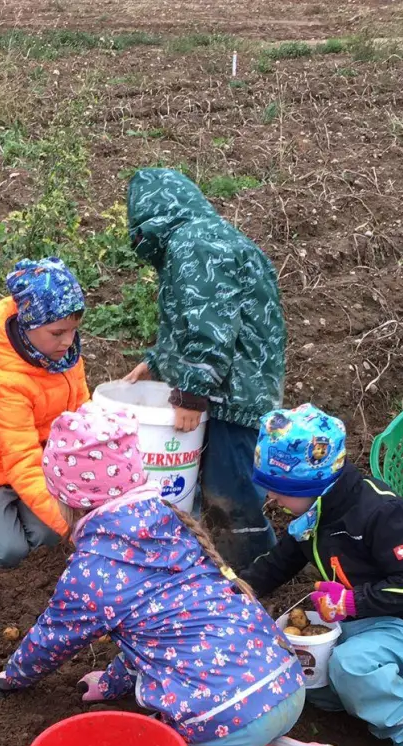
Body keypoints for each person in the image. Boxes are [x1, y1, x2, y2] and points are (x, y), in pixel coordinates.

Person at [0, 405, 345, 746]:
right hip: (285, 682)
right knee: (234, 729)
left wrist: (11, 680)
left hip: (225, 714)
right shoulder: (170, 523)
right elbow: (154, 631)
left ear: (67, 498)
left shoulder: (93, 571)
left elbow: (51, 640)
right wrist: (113, 681)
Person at [240, 405, 403, 746]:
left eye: (279, 491)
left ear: (312, 483)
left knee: (350, 666)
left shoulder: (381, 513)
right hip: (361, 622)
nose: (272, 500)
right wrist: (239, 590)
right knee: (306, 678)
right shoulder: (314, 511)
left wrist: (350, 603)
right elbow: (280, 562)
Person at [121, 167, 285, 570]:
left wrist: (192, 393)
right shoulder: (197, 238)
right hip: (229, 387)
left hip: (234, 394)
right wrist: (157, 361)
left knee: (232, 497)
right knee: (212, 490)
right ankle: (212, 571)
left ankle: (257, 578)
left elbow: (210, 327)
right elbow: (192, 318)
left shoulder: (196, 244)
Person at [0, 258, 88, 568]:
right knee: (7, 553)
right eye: (57, 332)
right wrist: (74, 528)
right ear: (29, 324)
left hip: (42, 463)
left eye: (74, 330)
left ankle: (17, 518)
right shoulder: (6, 381)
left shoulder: (66, 357)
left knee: (46, 540)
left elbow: (81, 420)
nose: (68, 341)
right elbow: (20, 459)